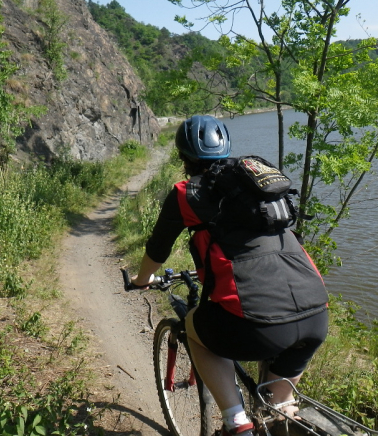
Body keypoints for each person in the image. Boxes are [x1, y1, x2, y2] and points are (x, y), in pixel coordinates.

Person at [131, 115, 329, 436]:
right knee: (277, 410)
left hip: (257, 325)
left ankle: (235, 421)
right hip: (316, 313)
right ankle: (279, 414)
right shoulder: (256, 186)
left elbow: (157, 250)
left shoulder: (186, 193)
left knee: (193, 327)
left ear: (183, 158)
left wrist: (141, 280)